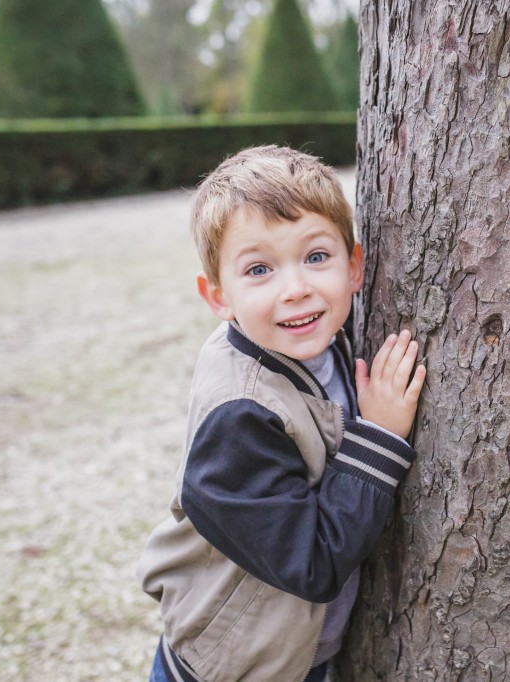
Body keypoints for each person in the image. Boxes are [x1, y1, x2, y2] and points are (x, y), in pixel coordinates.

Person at [137, 145, 426, 682]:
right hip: (233, 669)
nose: (296, 289)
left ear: (354, 266)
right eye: (259, 269)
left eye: (316, 257)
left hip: (302, 652)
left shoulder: (323, 338)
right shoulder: (239, 417)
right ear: (219, 297)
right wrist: (380, 434)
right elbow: (310, 562)